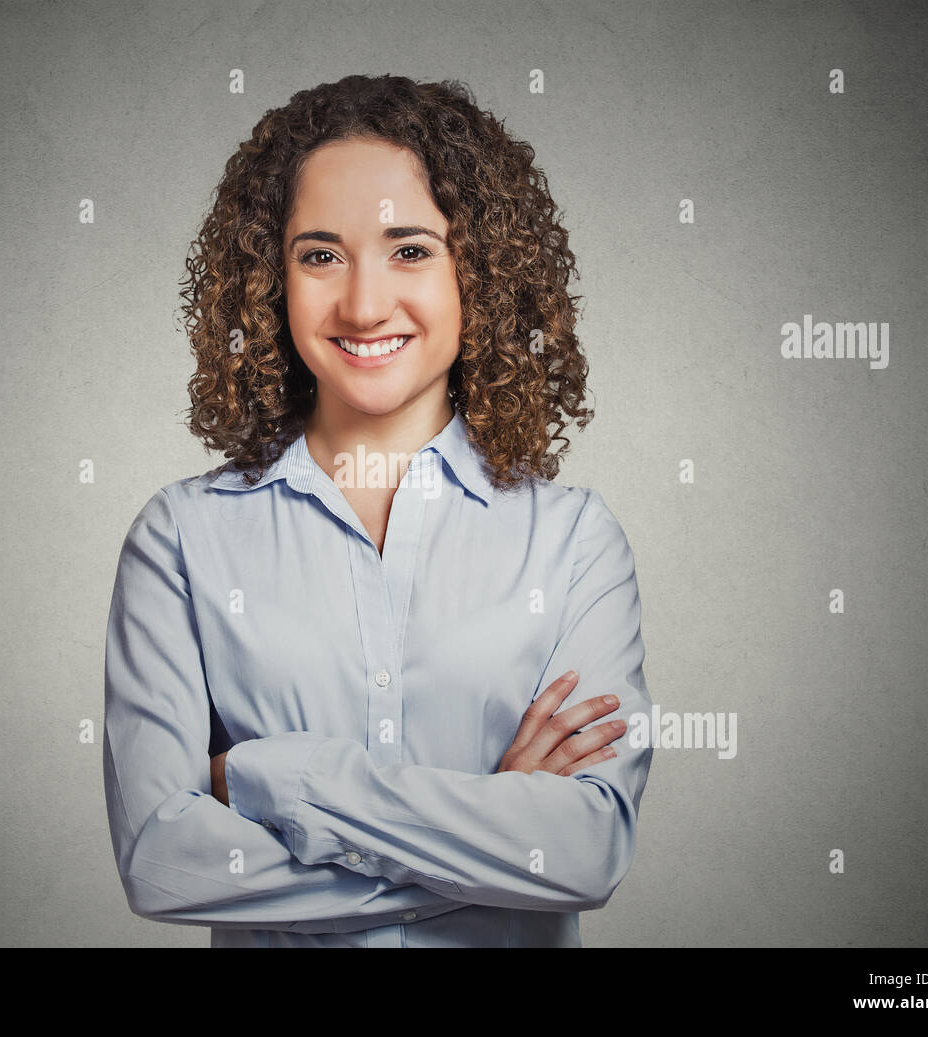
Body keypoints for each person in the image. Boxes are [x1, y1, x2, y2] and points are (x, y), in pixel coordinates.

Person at [102, 74, 653, 947]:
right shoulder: (180, 540)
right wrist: (491, 840)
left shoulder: (575, 544)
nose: (362, 304)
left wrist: (274, 781)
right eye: (320, 254)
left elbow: (583, 852)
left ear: (480, 270)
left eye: (410, 250)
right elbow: (163, 862)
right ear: (270, 280)